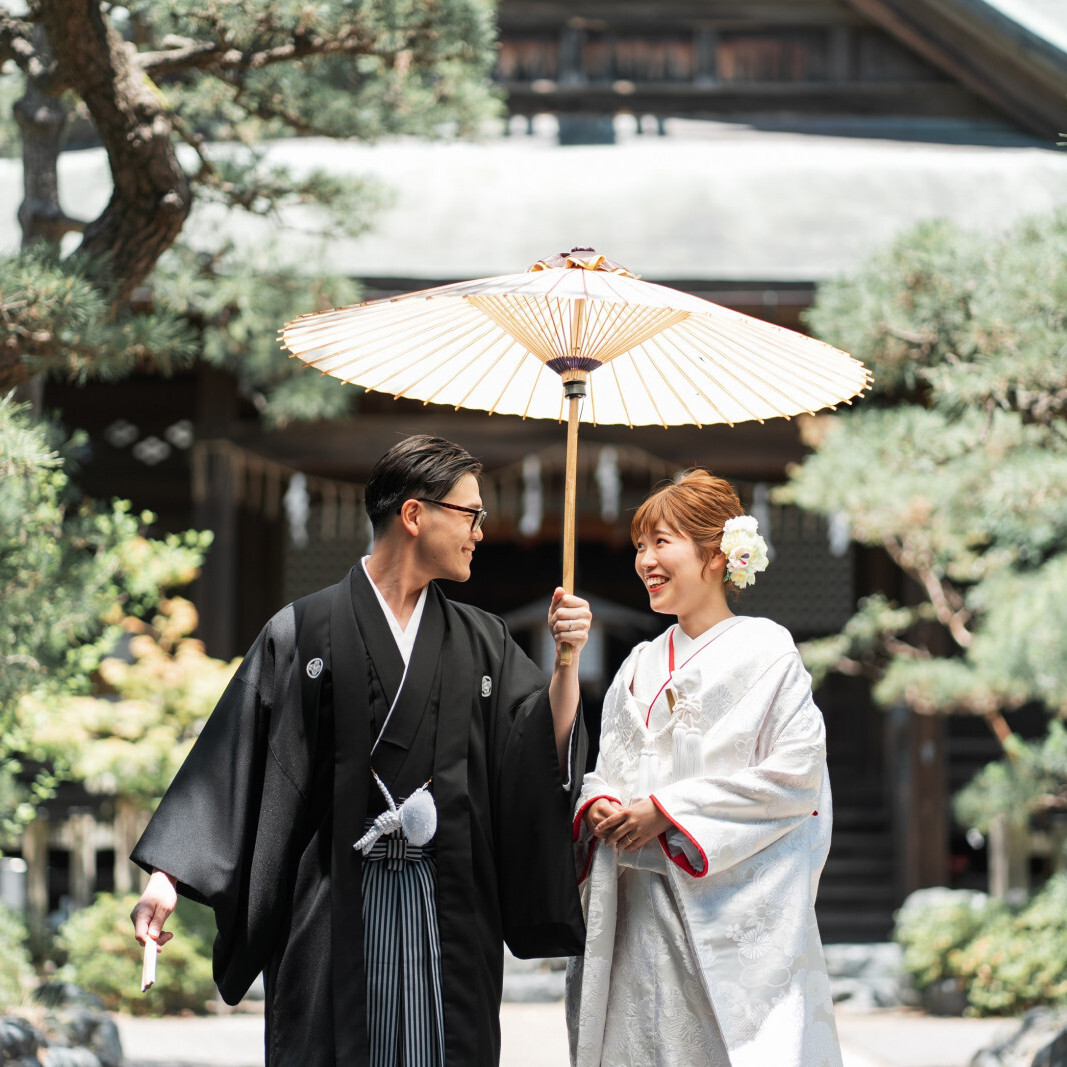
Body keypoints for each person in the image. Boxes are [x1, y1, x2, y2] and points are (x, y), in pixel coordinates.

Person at [130, 434, 591, 1066]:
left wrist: (565, 667)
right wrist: (168, 875)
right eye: (470, 514)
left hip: (449, 912)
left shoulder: (484, 641)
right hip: (330, 912)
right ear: (413, 514)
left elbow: (538, 751)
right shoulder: (302, 632)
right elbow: (236, 758)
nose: (480, 531)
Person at [566, 469, 841, 1067]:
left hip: (718, 908)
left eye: (662, 541)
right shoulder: (638, 662)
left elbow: (795, 776)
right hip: (636, 910)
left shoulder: (768, 652)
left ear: (717, 553)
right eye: (640, 545)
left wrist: (668, 812)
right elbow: (605, 768)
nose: (645, 560)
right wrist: (603, 804)